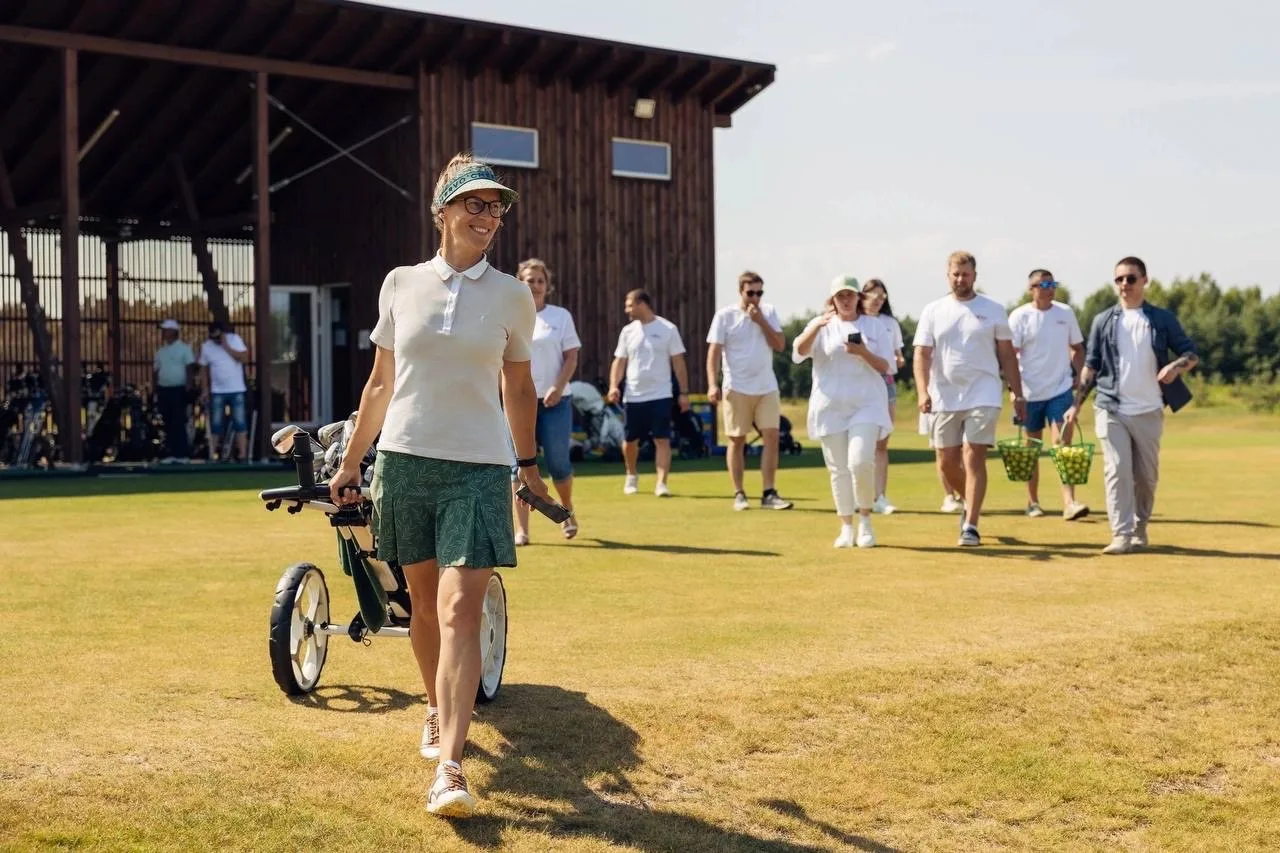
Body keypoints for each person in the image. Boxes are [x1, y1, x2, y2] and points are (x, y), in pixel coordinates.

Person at [329, 154, 547, 819]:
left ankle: (450, 767)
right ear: (442, 211)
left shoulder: (512, 295)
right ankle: (433, 705)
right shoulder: (400, 284)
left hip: (479, 469)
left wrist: (528, 464)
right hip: (404, 463)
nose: (488, 217)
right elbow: (380, 383)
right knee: (422, 606)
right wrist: (350, 462)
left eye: (495, 207)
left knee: (459, 612)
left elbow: (518, 386)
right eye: (474, 204)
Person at [1065, 256, 1198, 555]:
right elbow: (1090, 366)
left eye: (1131, 278)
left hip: (1149, 409)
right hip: (1110, 407)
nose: (1124, 284)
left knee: (1146, 477)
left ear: (1144, 281)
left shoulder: (1161, 319)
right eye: (1119, 279)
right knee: (1117, 469)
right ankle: (1121, 534)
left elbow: (1191, 353)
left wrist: (1175, 366)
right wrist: (1076, 405)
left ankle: (1139, 528)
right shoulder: (1102, 321)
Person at [913, 251, 1027, 547]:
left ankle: (971, 525)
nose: (960, 279)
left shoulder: (994, 309)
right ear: (947, 276)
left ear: (975, 276)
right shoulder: (933, 310)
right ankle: (970, 501)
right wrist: (923, 391)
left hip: (984, 391)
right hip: (944, 395)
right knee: (946, 463)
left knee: (972, 454)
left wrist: (1017, 393)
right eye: (956, 274)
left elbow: (1006, 354)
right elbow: (922, 354)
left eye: (965, 274)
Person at [792, 276, 893, 548]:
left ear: (858, 297)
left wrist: (862, 352)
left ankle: (866, 521)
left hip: (867, 404)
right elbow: (798, 353)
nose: (845, 300)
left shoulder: (874, 325)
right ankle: (846, 526)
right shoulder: (821, 324)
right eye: (840, 296)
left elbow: (886, 366)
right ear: (833, 300)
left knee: (860, 461)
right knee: (838, 469)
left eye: (850, 294)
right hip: (830, 406)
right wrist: (816, 327)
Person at [705, 270, 793, 511]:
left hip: (766, 386)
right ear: (741, 292)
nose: (755, 298)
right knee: (737, 439)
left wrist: (761, 321)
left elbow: (779, 344)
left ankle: (769, 492)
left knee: (772, 436)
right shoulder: (725, 316)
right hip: (737, 386)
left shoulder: (769, 312)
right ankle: (739, 493)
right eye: (751, 293)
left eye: (759, 293)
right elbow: (714, 353)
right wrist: (712, 384)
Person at [1008, 269, 1090, 521]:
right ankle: (1032, 502)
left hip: (1060, 390)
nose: (1049, 288)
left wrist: (1080, 376)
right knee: (1031, 449)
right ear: (1031, 289)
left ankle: (1070, 503)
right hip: (1029, 393)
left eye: (1052, 284)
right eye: (1043, 284)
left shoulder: (1065, 313)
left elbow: (1077, 349)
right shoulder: (1019, 316)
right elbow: (1010, 357)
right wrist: (1014, 391)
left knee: (1063, 444)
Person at [511, 258, 581, 544]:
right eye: (530, 280)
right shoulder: (510, 315)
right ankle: (522, 530)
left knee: (558, 464)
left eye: (540, 281)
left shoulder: (560, 317)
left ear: (547, 286)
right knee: (517, 467)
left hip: (555, 403)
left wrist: (557, 387)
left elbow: (571, 357)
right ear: (520, 282)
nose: (536, 285)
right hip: (518, 403)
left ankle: (567, 511)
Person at [607, 290, 689, 497]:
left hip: (661, 395)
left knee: (662, 439)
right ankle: (631, 475)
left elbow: (678, 363)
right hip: (633, 395)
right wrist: (614, 386)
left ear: (642, 304)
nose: (626, 310)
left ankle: (661, 483)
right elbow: (619, 361)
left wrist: (684, 392)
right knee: (630, 440)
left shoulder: (668, 329)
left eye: (629, 305)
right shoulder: (627, 332)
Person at [859, 279, 906, 514]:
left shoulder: (890, 323)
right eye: (874, 295)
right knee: (859, 443)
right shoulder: (855, 321)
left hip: (885, 382)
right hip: (860, 383)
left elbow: (898, 354)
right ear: (863, 296)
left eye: (882, 296)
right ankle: (860, 495)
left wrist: (899, 359)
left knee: (881, 441)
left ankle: (880, 496)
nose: (878, 299)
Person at [198, 319, 250, 462]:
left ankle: (242, 455)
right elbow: (203, 369)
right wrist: (205, 389)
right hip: (217, 391)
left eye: (218, 337)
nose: (216, 341)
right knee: (215, 424)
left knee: (240, 422)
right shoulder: (206, 346)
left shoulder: (235, 340)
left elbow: (245, 358)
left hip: (236, 389)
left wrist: (227, 347)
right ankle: (212, 454)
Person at [153, 318, 195, 462]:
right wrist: (155, 390)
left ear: (173, 332)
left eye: (166, 330)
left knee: (179, 421)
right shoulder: (160, 351)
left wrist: (188, 388)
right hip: (164, 390)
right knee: (168, 421)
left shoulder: (184, 349)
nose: (163, 333)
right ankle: (170, 454)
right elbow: (156, 371)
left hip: (179, 390)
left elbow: (190, 368)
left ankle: (182, 454)